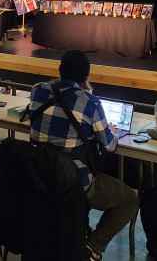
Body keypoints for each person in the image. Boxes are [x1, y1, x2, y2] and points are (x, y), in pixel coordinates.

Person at [29, 50, 138, 260]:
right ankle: (92, 248)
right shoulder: (91, 103)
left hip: (37, 175)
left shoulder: (37, 91)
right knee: (130, 200)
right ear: (86, 77)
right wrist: (112, 132)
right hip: (72, 181)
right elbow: (109, 147)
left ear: (60, 70)